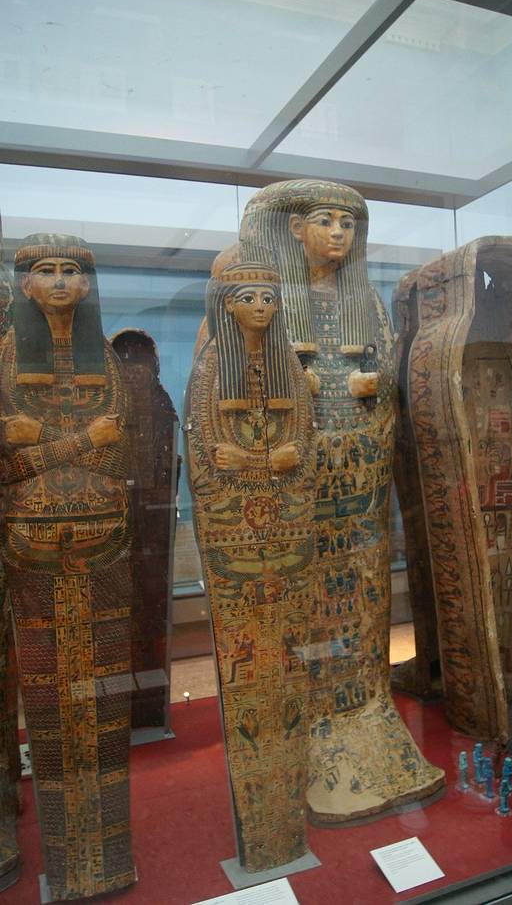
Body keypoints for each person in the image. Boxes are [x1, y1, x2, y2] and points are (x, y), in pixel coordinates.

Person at [240, 180, 445, 822]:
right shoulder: (262, 301)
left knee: (360, 594)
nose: (337, 233)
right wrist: (288, 381)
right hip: (297, 481)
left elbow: (387, 382)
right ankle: (307, 723)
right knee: (301, 599)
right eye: (325, 220)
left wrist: (372, 385)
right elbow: (232, 390)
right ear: (293, 229)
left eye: (347, 224)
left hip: (357, 479)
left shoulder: (366, 304)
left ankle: (366, 711)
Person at [0, 234, 135, 901]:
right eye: (46, 271)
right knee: (49, 698)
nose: (60, 282)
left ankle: (103, 860)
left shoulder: (103, 358)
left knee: (100, 694)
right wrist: (78, 441)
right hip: (29, 541)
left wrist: (50, 445)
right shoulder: (6, 357)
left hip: (102, 537)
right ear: (24, 284)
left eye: (72, 272)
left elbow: (117, 457)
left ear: (88, 285)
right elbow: (8, 467)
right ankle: (66, 854)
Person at [186, 246, 316, 872]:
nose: (261, 307)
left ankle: (283, 832)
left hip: (284, 532)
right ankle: (262, 836)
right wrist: (263, 462)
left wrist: (270, 461)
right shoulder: (211, 367)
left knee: (286, 658)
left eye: (269, 298)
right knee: (248, 662)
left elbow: (306, 444)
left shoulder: (288, 363)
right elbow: (207, 452)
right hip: (234, 531)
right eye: (247, 299)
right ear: (226, 305)